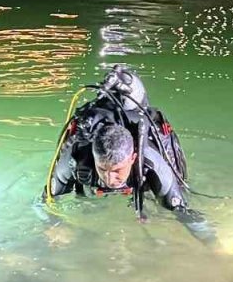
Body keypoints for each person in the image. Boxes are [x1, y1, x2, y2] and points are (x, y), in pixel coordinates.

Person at [45, 65, 217, 246]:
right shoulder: (74, 159)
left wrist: (214, 244)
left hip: (145, 169)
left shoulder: (151, 162)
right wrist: (54, 225)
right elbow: (44, 201)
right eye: (103, 169)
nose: (110, 178)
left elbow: (184, 212)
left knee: (167, 204)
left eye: (117, 170)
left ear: (133, 158)